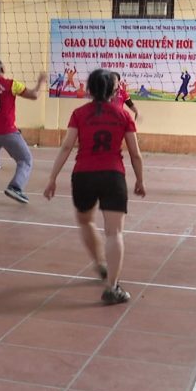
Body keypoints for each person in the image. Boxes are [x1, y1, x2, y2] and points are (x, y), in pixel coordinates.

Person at [44, 69, 145, 305]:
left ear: (89, 89)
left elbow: (67, 146)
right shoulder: (123, 115)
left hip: (83, 176)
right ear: (114, 90)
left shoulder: (79, 113)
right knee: (115, 233)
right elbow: (135, 154)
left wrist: (52, 178)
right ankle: (112, 287)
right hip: (113, 176)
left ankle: (100, 263)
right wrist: (140, 180)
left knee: (85, 221)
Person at [0, 59, 46, 203]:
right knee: (25, 159)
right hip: (7, 131)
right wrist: (41, 83)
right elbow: (34, 95)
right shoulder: (11, 84)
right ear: (2, 68)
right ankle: (15, 187)